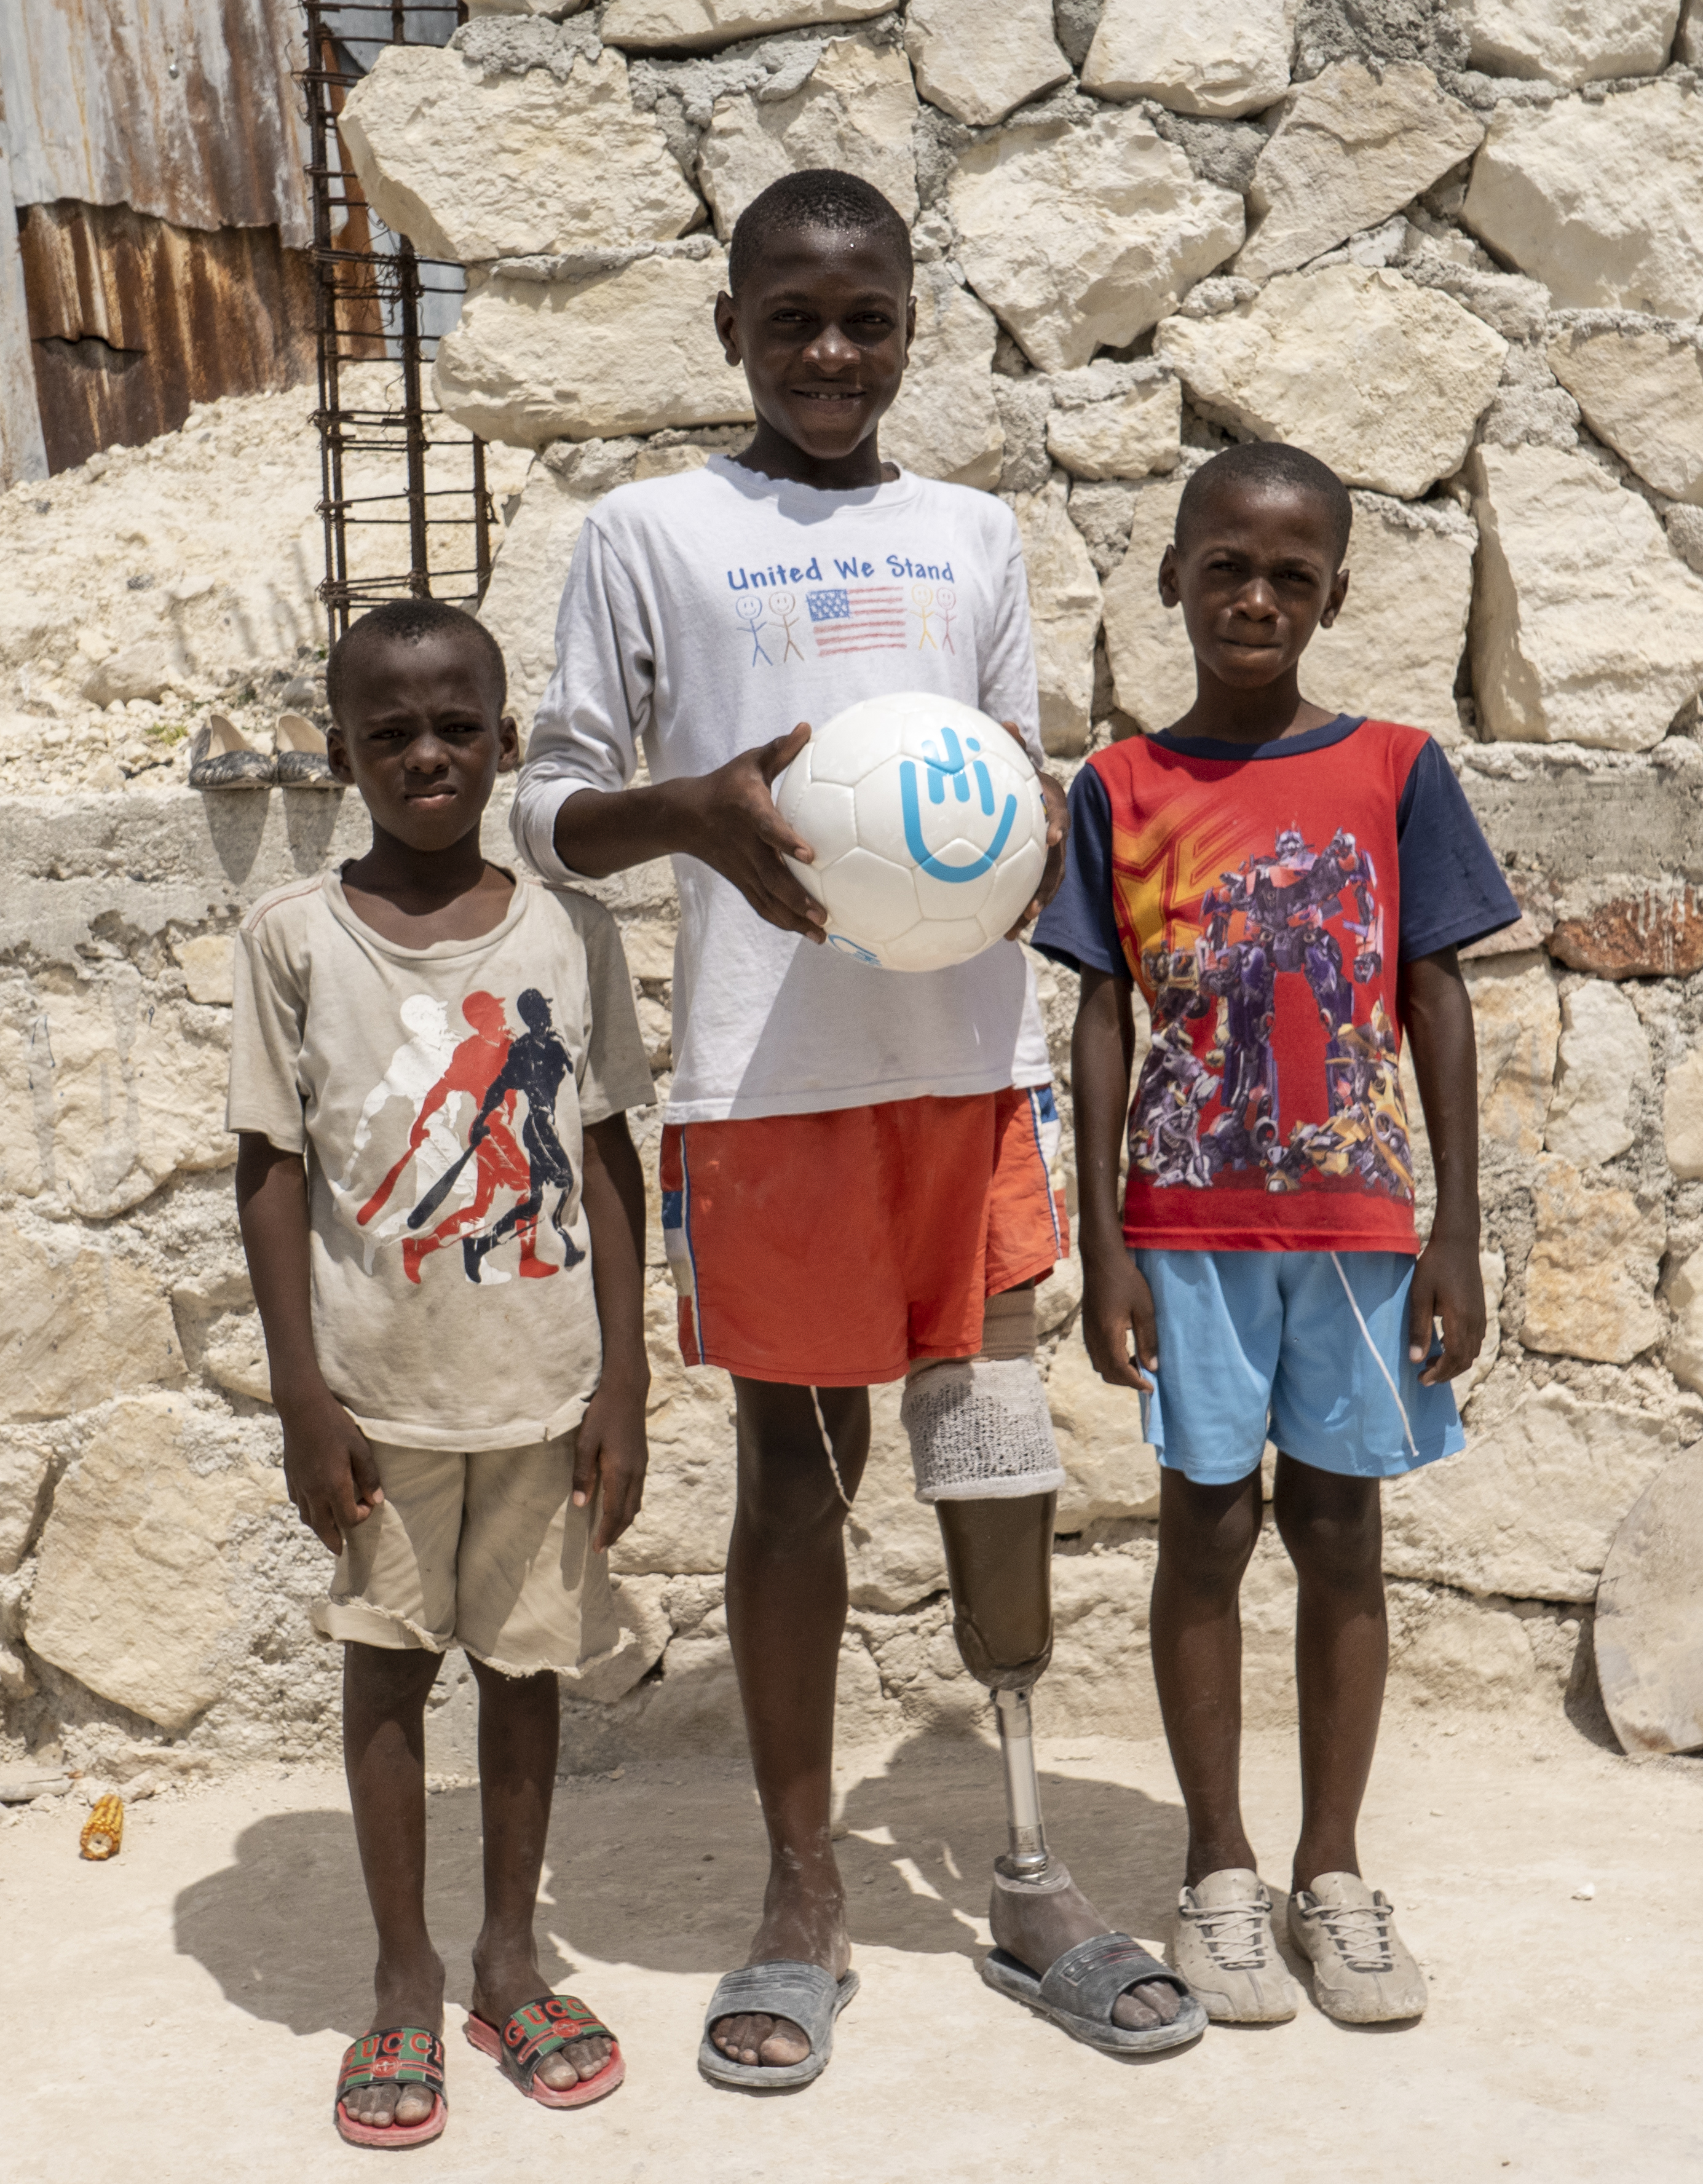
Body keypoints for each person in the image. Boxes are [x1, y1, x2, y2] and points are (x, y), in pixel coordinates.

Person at [511, 167, 1200, 2084]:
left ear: (913, 327)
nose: (831, 352)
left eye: (868, 317)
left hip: (961, 1079)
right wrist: (698, 817)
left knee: (992, 1461)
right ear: (729, 326)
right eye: (792, 317)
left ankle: (1033, 1859)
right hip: (769, 1091)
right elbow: (544, 804)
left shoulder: (975, 535)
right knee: (793, 1487)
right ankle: (803, 1885)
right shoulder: (646, 532)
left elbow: (1004, 785)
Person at [1032, 441, 1519, 2028]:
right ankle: (1220, 1870)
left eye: (1290, 576)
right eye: (1224, 568)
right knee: (1204, 1533)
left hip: (1359, 1222)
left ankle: (1333, 1875)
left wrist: (1452, 1224)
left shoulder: (1392, 767)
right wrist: (1105, 1238)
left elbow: (1436, 991)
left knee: (1339, 1533)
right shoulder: (1118, 790)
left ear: (1334, 596)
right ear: (1168, 578)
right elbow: (1104, 1010)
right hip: (1184, 1225)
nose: (1255, 598)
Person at [229, 598, 656, 2147]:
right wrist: (299, 1397)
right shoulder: (291, 938)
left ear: (505, 740)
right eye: (388, 731)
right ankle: (404, 1981)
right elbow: (269, 1176)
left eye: (454, 726)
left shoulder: (568, 931)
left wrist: (625, 1382)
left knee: (528, 1670)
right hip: (379, 1395)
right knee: (391, 1672)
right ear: (339, 751)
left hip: (543, 1388)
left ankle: (509, 1958)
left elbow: (607, 1156)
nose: (425, 754)